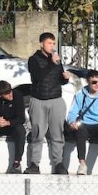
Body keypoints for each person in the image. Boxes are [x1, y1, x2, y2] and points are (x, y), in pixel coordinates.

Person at [25, 32, 70, 175]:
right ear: (41, 44)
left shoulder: (56, 59)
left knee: (57, 133)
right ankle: (34, 164)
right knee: (37, 133)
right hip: (38, 100)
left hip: (56, 99)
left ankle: (58, 163)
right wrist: (52, 62)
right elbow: (38, 76)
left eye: (53, 43)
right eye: (49, 43)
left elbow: (59, 78)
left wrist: (65, 78)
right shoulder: (33, 59)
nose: (52, 46)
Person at [67, 69, 98, 175]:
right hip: (85, 124)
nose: (97, 85)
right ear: (87, 82)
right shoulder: (80, 95)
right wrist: (72, 122)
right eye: (94, 82)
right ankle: (82, 164)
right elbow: (73, 112)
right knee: (80, 131)